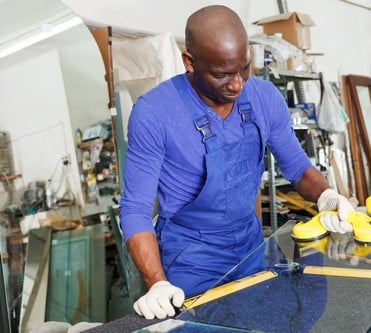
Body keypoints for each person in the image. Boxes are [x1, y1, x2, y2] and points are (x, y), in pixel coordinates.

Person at [119, 5, 355, 321]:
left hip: (251, 247)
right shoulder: (154, 113)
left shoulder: (264, 97)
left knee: (266, 322)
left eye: (243, 68)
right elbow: (134, 210)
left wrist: (327, 196)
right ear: (189, 62)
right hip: (191, 257)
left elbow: (296, 165)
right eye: (221, 74)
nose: (236, 85)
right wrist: (157, 282)